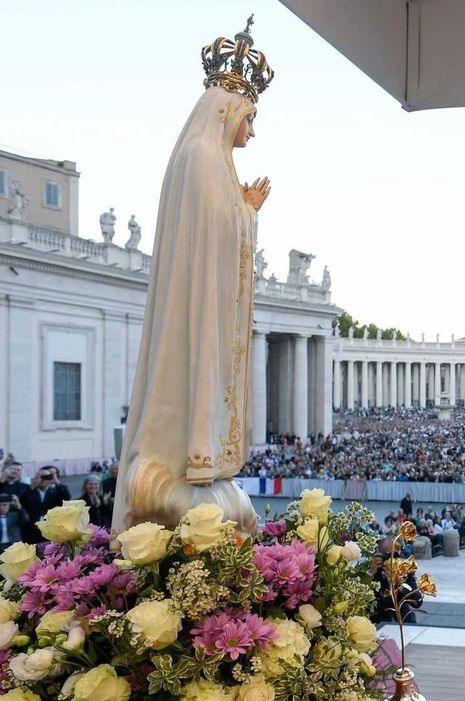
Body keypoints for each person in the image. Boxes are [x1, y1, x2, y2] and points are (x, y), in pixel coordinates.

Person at [112, 17, 272, 534]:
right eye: (250, 117)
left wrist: (243, 210)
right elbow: (212, 240)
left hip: (208, 300)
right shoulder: (203, 158)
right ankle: (197, 454)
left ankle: (206, 461)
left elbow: (217, 232)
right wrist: (245, 213)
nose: (253, 129)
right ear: (228, 111)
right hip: (200, 308)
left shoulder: (208, 159)